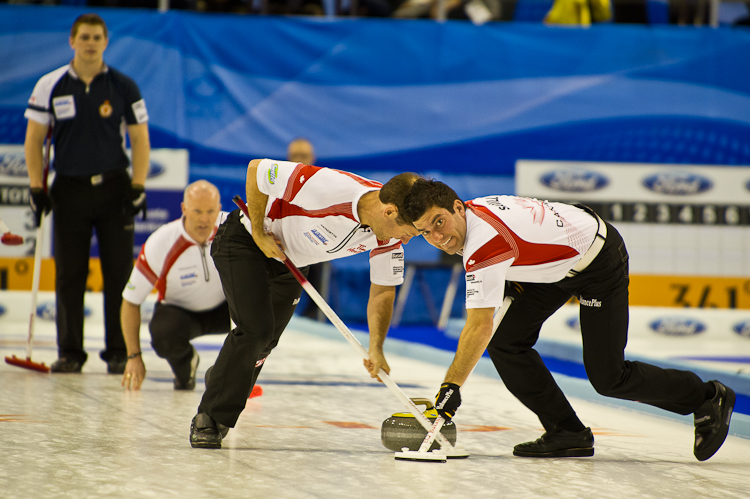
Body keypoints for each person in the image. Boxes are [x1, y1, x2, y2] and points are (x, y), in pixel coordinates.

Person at [372, 178, 735, 462]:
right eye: (426, 233)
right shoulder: (474, 211)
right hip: (555, 265)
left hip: (597, 263)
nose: (439, 237)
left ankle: (707, 397)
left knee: (608, 378)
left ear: (457, 207)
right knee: (506, 342)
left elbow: (478, 325)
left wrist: (449, 392)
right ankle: (567, 433)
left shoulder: (484, 244)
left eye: (440, 222)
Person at [189, 158, 420, 448]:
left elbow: (383, 291)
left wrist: (376, 346)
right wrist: (260, 232)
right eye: (408, 233)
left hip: (292, 261)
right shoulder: (329, 187)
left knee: (266, 342)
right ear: (389, 212)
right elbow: (256, 170)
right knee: (256, 330)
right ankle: (209, 417)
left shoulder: (388, 237)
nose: (406, 241)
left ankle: (224, 374)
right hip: (246, 241)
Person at [24, 13, 150, 374]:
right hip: (69, 189)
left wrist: (138, 185)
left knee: (118, 273)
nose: (91, 43)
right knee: (69, 273)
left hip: (114, 188)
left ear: (106, 42)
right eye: (84, 37)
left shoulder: (125, 86)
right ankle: (70, 352)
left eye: (97, 37)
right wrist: (36, 186)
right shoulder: (50, 85)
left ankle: (116, 352)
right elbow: (34, 140)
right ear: (72, 41)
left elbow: (140, 139)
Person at [120, 180, 229, 391]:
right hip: (180, 315)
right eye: (197, 211)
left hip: (226, 309)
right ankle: (186, 364)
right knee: (163, 335)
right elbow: (131, 302)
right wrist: (134, 356)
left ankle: (237, 375)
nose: (205, 219)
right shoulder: (160, 242)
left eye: (211, 211)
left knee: (258, 312)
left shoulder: (234, 230)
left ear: (219, 209)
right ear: (184, 209)